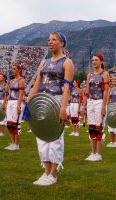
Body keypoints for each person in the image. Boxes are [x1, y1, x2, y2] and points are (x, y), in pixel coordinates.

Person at [28, 32, 74, 185]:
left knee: (55, 137)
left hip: (57, 99)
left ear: (62, 43)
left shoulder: (67, 62)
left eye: (54, 40)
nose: (50, 42)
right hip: (43, 99)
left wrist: (63, 108)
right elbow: (37, 84)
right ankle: (46, 171)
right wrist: (28, 102)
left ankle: (53, 174)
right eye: (49, 40)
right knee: (41, 135)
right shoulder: (44, 63)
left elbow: (67, 87)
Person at [84, 53, 109, 161]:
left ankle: (98, 154)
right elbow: (87, 90)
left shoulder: (105, 74)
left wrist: (104, 106)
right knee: (91, 128)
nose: (94, 62)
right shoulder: (89, 75)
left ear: (101, 62)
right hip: (90, 101)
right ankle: (93, 152)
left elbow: (106, 91)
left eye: (96, 60)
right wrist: (84, 104)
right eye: (93, 60)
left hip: (99, 101)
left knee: (99, 128)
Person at [4, 64, 25, 151]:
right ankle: (12, 142)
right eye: (12, 69)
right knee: (9, 123)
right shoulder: (12, 81)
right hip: (11, 102)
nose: (12, 70)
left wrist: (18, 105)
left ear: (19, 70)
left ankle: (16, 144)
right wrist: (6, 103)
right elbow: (9, 93)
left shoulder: (21, 80)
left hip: (17, 102)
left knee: (16, 123)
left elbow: (21, 94)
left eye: (14, 69)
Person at [0, 72, 9, 136]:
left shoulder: (6, 86)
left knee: (3, 117)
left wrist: (4, 104)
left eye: (1, 76)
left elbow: (6, 96)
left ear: (4, 78)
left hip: (3, 101)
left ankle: (2, 132)